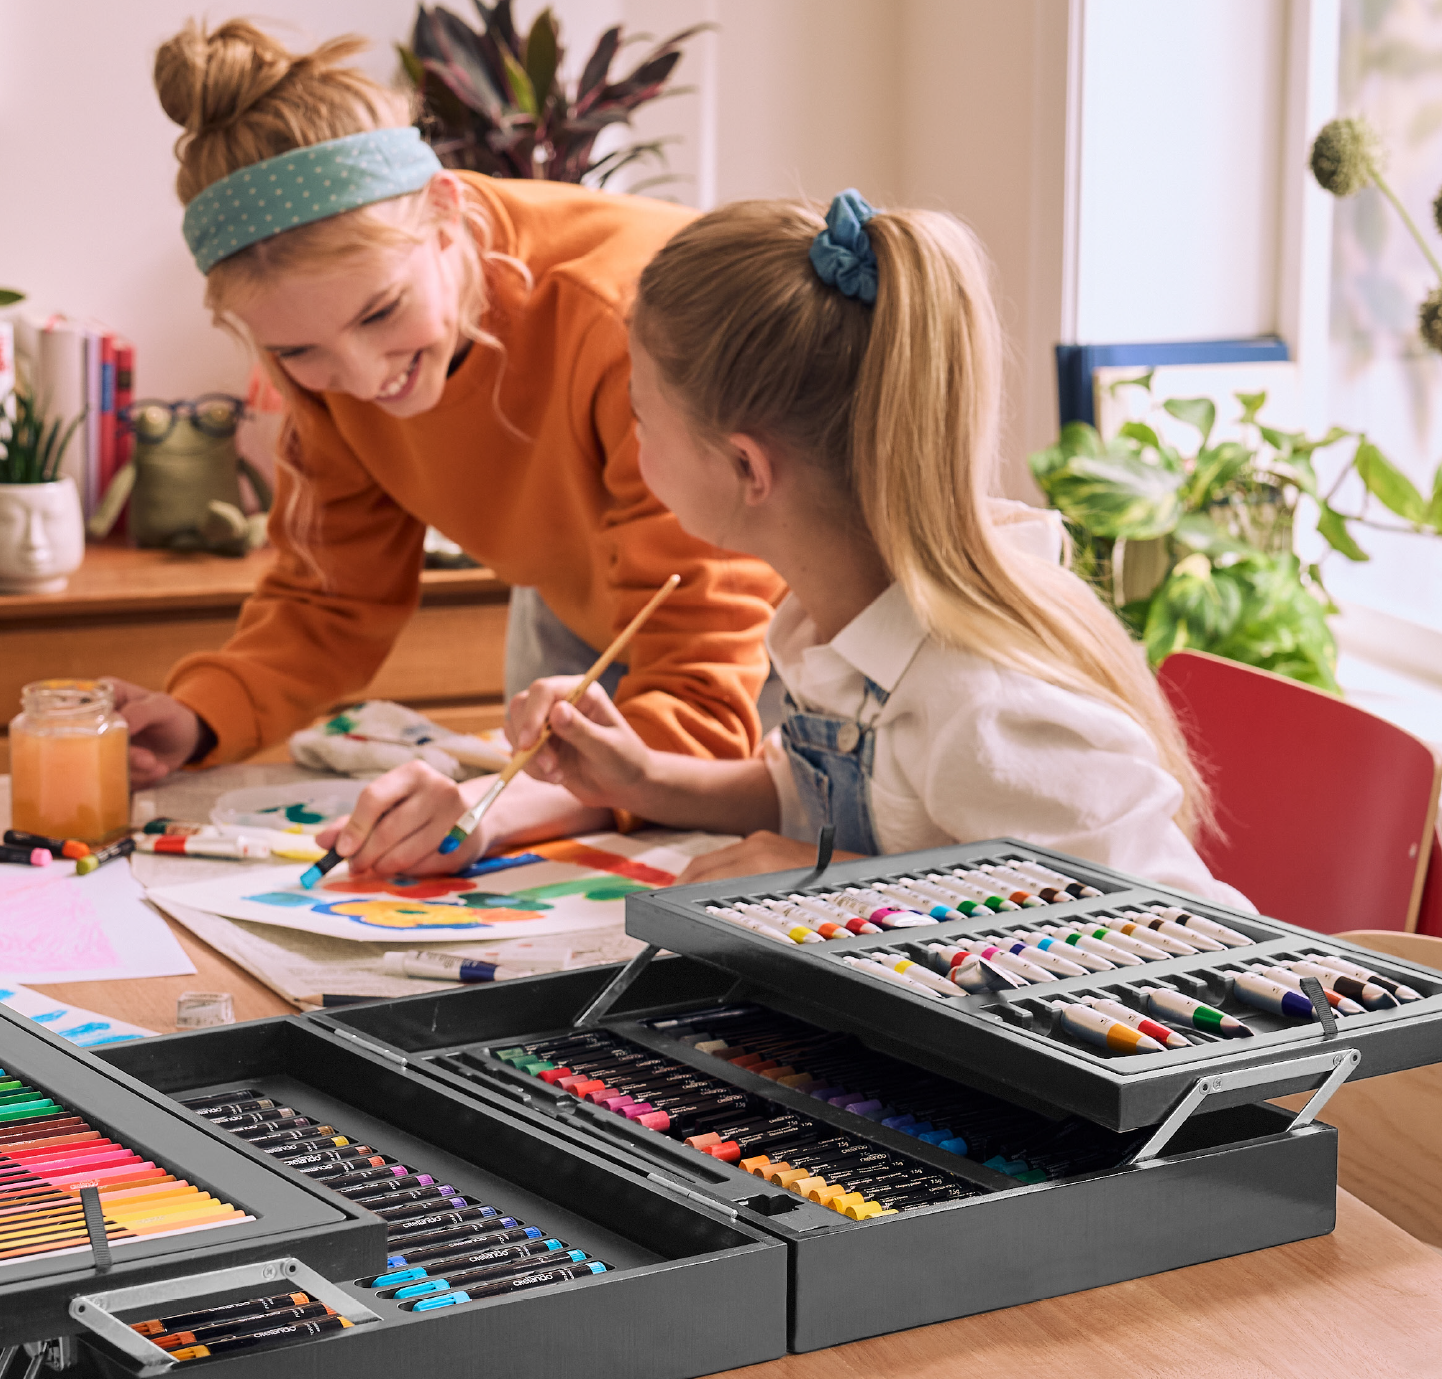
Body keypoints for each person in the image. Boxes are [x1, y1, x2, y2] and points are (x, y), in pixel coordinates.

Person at [109, 19, 786, 879]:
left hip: (792, 643)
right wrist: (200, 714)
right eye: (296, 353)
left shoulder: (629, 319)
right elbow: (331, 600)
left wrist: (493, 807)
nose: (358, 377)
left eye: (381, 312)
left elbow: (703, 684)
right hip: (581, 608)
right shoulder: (335, 371)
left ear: (446, 214)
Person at [508, 190, 1247, 907]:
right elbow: (826, 796)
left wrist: (833, 887)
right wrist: (645, 780)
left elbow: (1167, 919)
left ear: (746, 467)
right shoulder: (840, 619)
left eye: (640, 413)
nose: (629, 441)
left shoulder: (983, 699)